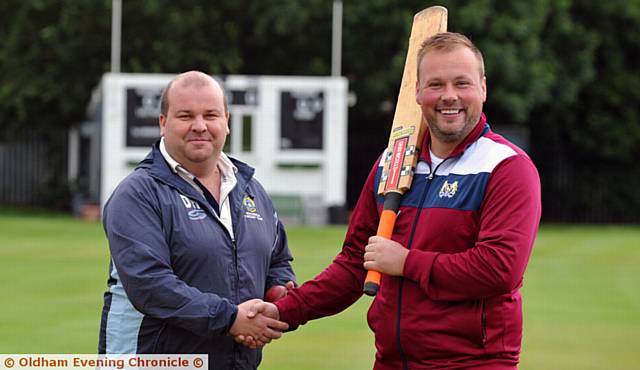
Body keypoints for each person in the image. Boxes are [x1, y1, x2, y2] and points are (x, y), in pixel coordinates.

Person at [242, 32, 542, 369]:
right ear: (416, 92)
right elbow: (356, 262)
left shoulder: (506, 167)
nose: (449, 96)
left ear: (483, 88)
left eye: (462, 83)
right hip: (391, 361)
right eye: (435, 85)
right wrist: (284, 311)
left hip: (473, 363)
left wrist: (406, 262)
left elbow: (498, 269)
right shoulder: (393, 162)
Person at [98, 70, 295, 369]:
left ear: (226, 121)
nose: (200, 126)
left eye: (211, 115)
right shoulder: (138, 193)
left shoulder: (251, 190)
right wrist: (231, 319)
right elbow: (150, 286)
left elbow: (278, 260)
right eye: (186, 116)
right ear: (163, 123)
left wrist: (279, 296)